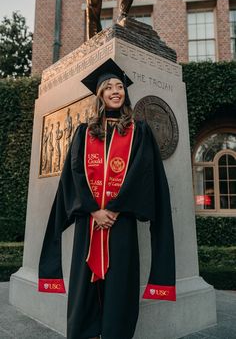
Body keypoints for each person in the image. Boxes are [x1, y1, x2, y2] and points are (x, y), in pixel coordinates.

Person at [38, 59, 176, 339]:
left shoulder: (139, 132)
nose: (116, 91)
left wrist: (113, 209)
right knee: (84, 287)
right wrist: (93, 210)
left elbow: (142, 173)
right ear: (99, 95)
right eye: (108, 87)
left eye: (120, 86)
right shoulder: (84, 132)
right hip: (89, 224)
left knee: (120, 284)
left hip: (120, 222)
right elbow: (74, 174)